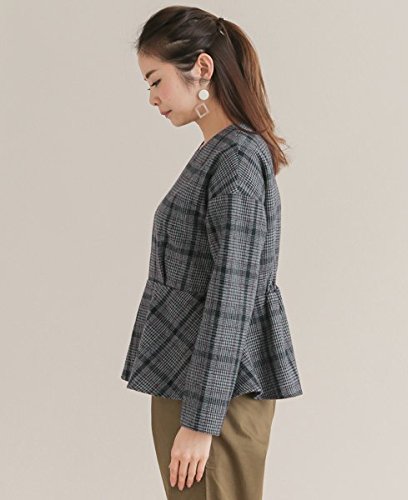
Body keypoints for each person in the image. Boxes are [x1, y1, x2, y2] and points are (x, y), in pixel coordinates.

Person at [120, 6, 303, 499]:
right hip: (193, 382)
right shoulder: (218, 153)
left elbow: (233, 295)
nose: (153, 98)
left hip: (214, 395)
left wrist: (201, 421)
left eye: (156, 81)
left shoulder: (236, 161)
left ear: (202, 68)